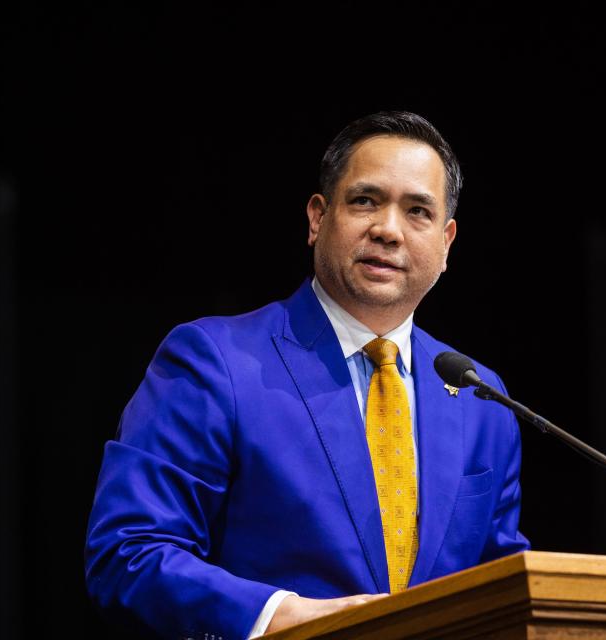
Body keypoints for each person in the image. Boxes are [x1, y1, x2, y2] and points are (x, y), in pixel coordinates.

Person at [85, 111, 529, 639]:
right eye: (365, 200)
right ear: (318, 218)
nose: (388, 229)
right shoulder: (215, 361)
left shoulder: (481, 396)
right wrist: (283, 617)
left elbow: (503, 588)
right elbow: (129, 550)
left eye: (417, 211)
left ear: (447, 243)